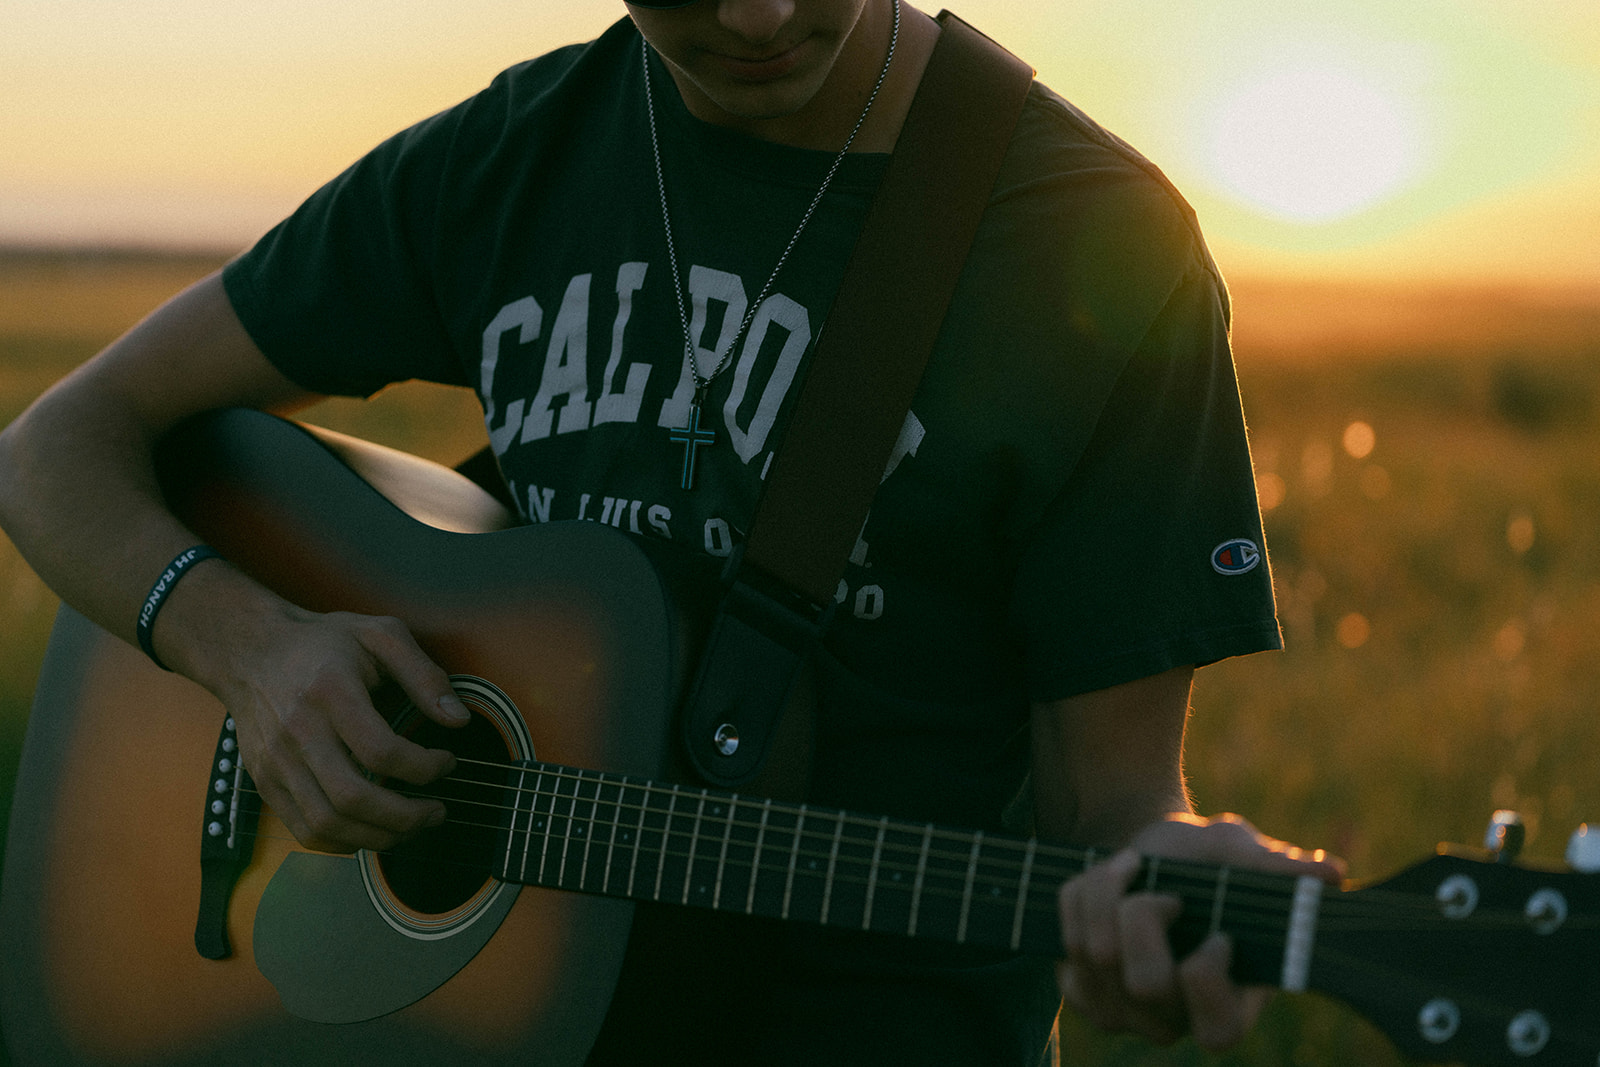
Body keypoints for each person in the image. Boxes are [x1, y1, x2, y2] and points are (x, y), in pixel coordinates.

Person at [0, 0, 1341, 1062]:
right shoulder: (515, 155)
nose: (757, 17)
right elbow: (56, 446)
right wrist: (252, 650)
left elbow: (1117, 811)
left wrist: (1165, 897)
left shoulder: (1090, 239)